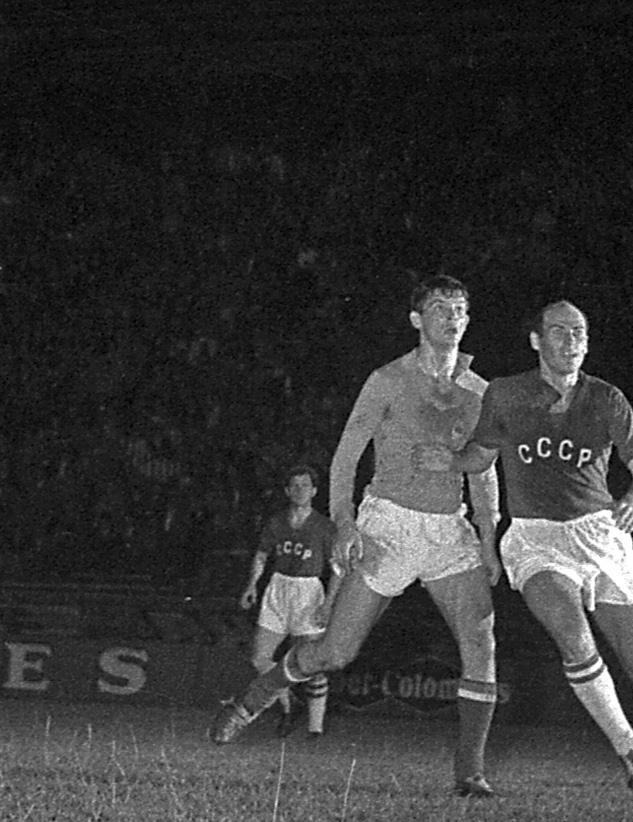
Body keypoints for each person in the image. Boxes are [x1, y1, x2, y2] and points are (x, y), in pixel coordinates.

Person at [211, 275, 504, 794]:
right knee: (333, 654)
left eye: (459, 307)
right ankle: (255, 697)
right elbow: (347, 455)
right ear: (417, 320)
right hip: (388, 525)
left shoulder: (480, 393)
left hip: (447, 532)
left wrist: (486, 536)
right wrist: (345, 521)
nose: (451, 316)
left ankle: (470, 772)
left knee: (481, 642)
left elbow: (483, 468)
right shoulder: (387, 380)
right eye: (438, 307)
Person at [441, 301, 633, 801]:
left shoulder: (607, 399)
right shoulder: (505, 395)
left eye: (580, 332)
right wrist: (440, 456)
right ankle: (631, 748)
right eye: (561, 332)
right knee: (574, 638)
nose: (572, 340)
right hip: (536, 539)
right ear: (536, 340)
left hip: (599, 535)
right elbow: (477, 457)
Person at [233, 469, 340, 737]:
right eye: (295, 485)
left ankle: (316, 727)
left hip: (308, 589)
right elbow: (261, 555)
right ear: (287, 491)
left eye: (306, 485)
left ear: (315, 491)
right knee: (260, 657)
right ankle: (288, 703)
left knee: (311, 662)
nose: (300, 489)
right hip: (278, 587)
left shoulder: (324, 527)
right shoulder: (277, 522)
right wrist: (251, 585)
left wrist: (328, 603)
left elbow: (338, 568)